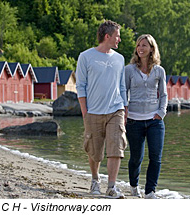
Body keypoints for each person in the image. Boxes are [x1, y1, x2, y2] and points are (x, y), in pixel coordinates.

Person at [76, 20, 128, 199]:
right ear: (107, 36)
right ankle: (95, 180)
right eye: (117, 36)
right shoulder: (86, 57)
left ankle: (112, 186)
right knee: (94, 150)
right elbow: (80, 86)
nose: (119, 40)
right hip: (93, 112)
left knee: (116, 147)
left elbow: (122, 86)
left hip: (116, 110)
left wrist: (125, 109)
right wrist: (85, 112)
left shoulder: (119, 59)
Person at [125, 34, 168, 199]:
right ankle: (134, 186)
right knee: (136, 157)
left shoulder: (159, 70)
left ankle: (150, 191)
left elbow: (163, 94)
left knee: (156, 157)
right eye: (138, 45)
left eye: (144, 45)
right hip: (134, 120)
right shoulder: (129, 69)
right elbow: (124, 91)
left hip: (154, 120)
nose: (140, 48)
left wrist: (161, 113)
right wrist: (125, 110)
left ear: (151, 48)